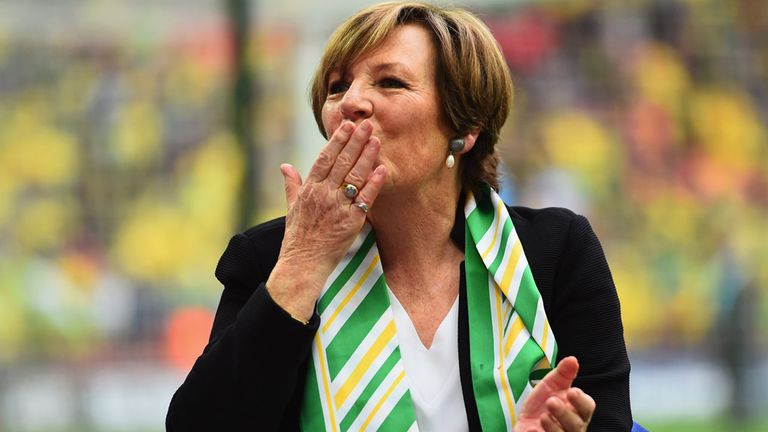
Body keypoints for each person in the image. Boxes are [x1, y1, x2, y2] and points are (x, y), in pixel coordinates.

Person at [166, 2, 632, 431]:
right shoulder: (271, 257)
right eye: (337, 87)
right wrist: (302, 265)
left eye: (389, 82)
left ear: (464, 127)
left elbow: (608, 416)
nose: (352, 102)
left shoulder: (556, 249)